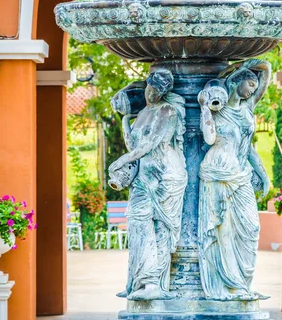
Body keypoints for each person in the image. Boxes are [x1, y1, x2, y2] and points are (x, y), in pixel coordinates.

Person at [109, 69, 187, 300]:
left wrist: (123, 160)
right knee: (137, 221)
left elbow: (150, 145)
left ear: (163, 92)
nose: (150, 94)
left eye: (156, 91)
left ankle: (154, 284)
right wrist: (124, 121)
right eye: (149, 89)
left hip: (167, 175)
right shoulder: (142, 112)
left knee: (161, 229)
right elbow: (134, 144)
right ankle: (138, 279)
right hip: (145, 175)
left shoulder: (168, 111)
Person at [198, 59, 271, 300]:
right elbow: (209, 139)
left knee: (251, 228)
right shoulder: (217, 109)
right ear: (236, 81)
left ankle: (243, 282)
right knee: (223, 229)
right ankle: (231, 285)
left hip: (240, 175)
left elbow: (248, 148)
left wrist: (263, 174)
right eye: (250, 84)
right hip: (217, 172)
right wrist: (205, 109)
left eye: (254, 86)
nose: (253, 89)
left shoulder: (247, 108)